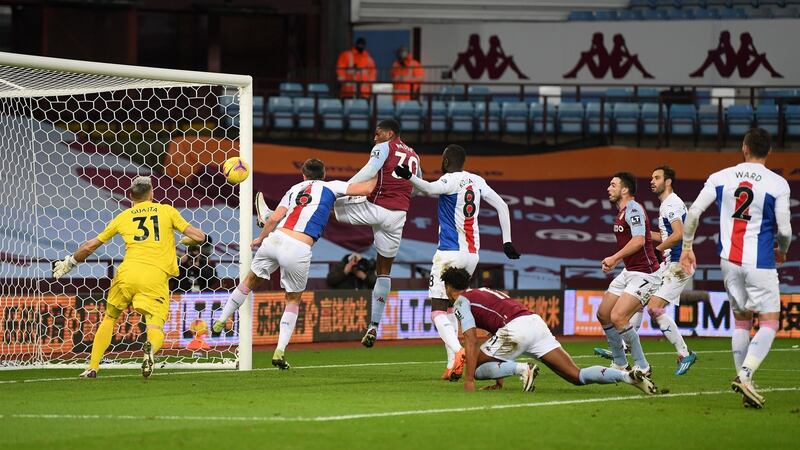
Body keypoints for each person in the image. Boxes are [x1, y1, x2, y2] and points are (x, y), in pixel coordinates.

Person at [212, 159, 377, 369]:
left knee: (248, 282)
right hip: (299, 246)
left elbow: (272, 220)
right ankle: (279, 350)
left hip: (276, 239)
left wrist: (261, 238)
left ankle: (221, 320)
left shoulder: (293, 189)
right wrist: (379, 170)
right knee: (292, 300)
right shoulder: (331, 186)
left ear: (304, 175)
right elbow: (367, 189)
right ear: (323, 173)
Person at [52, 176, 207, 379]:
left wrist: (69, 263)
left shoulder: (123, 217)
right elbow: (200, 237)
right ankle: (149, 351)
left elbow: (90, 246)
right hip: (154, 276)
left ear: (131, 196)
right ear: (152, 193)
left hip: (126, 273)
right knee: (154, 324)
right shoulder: (167, 211)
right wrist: (186, 240)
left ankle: (92, 367)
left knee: (109, 318)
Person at [680, 128, 791, 409]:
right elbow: (786, 230)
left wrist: (687, 247)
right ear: (769, 152)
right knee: (769, 322)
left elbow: (693, 213)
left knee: (742, 320)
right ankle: (746, 374)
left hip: (728, 260)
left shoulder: (721, 177)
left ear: (744, 148)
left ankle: (746, 386)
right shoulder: (777, 183)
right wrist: (783, 250)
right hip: (760, 260)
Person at [394, 144, 519, 381]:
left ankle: (460, 351)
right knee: (452, 308)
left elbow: (430, 189)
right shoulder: (477, 181)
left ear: (445, 160)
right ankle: (452, 364)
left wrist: (409, 176)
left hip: (449, 253)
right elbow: (502, 205)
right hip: (472, 255)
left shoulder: (449, 180)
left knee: (437, 310)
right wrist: (507, 241)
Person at [441, 268, 657, 394]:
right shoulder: (485, 291)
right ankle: (627, 376)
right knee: (576, 375)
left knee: (476, 367)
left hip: (515, 329)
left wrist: (468, 380)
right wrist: (499, 381)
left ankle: (523, 369)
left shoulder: (461, 302)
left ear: (449, 287)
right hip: (535, 323)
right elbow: (495, 333)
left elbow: (470, 340)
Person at [593, 166, 698, 375]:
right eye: (651, 177)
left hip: (678, 263)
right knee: (639, 303)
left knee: (654, 307)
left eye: (657, 178)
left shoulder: (671, 204)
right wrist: (648, 236)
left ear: (668, 182)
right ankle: (624, 349)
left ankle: (685, 353)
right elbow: (665, 233)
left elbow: (678, 234)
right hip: (669, 263)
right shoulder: (666, 205)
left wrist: (656, 249)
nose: (652, 181)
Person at [327, 119, 420, 349]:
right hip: (398, 215)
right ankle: (374, 325)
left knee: (327, 207)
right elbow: (417, 186)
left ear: (389, 133)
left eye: (378, 133)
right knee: (384, 271)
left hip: (376, 207)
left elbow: (369, 170)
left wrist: (345, 189)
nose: (374, 137)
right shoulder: (415, 156)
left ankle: (276, 215)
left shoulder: (384, 147)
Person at [596, 172, 661, 378]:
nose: (609, 188)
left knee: (618, 317)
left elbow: (639, 240)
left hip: (646, 274)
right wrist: (617, 261)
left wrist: (614, 258)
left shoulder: (633, 209)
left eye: (613, 185)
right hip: (630, 271)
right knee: (604, 314)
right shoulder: (622, 212)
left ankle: (643, 366)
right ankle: (620, 362)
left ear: (625, 189)